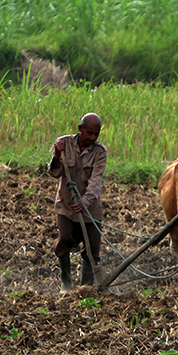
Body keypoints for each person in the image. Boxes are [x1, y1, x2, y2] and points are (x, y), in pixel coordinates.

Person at [48, 112, 106, 292]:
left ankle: (85, 288)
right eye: (89, 133)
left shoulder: (100, 152)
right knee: (65, 240)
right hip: (66, 206)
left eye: (96, 134)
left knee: (91, 250)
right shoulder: (63, 144)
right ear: (80, 129)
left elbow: (96, 181)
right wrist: (57, 155)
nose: (93, 138)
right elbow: (55, 173)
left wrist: (86, 201)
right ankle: (66, 285)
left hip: (91, 210)